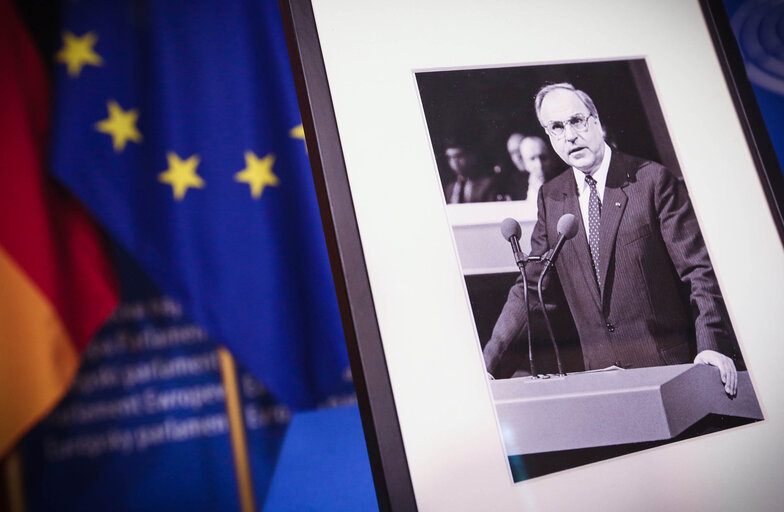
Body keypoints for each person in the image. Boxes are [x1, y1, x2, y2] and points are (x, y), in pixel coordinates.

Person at [483, 82, 738, 394]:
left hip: (672, 374)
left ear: (595, 121)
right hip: (603, 384)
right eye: (557, 128)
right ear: (549, 136)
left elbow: (698, 271)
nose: (570, 136)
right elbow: (531, 289)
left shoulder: (653, 181)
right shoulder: (550, 198)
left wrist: (711, 346)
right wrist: (487, 366)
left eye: (576, 121)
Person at [442, 137, 499, 204]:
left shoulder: (488, 185)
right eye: (450, 158)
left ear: (471, 156)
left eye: (459, 156)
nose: (454, 162)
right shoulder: (450, 189)